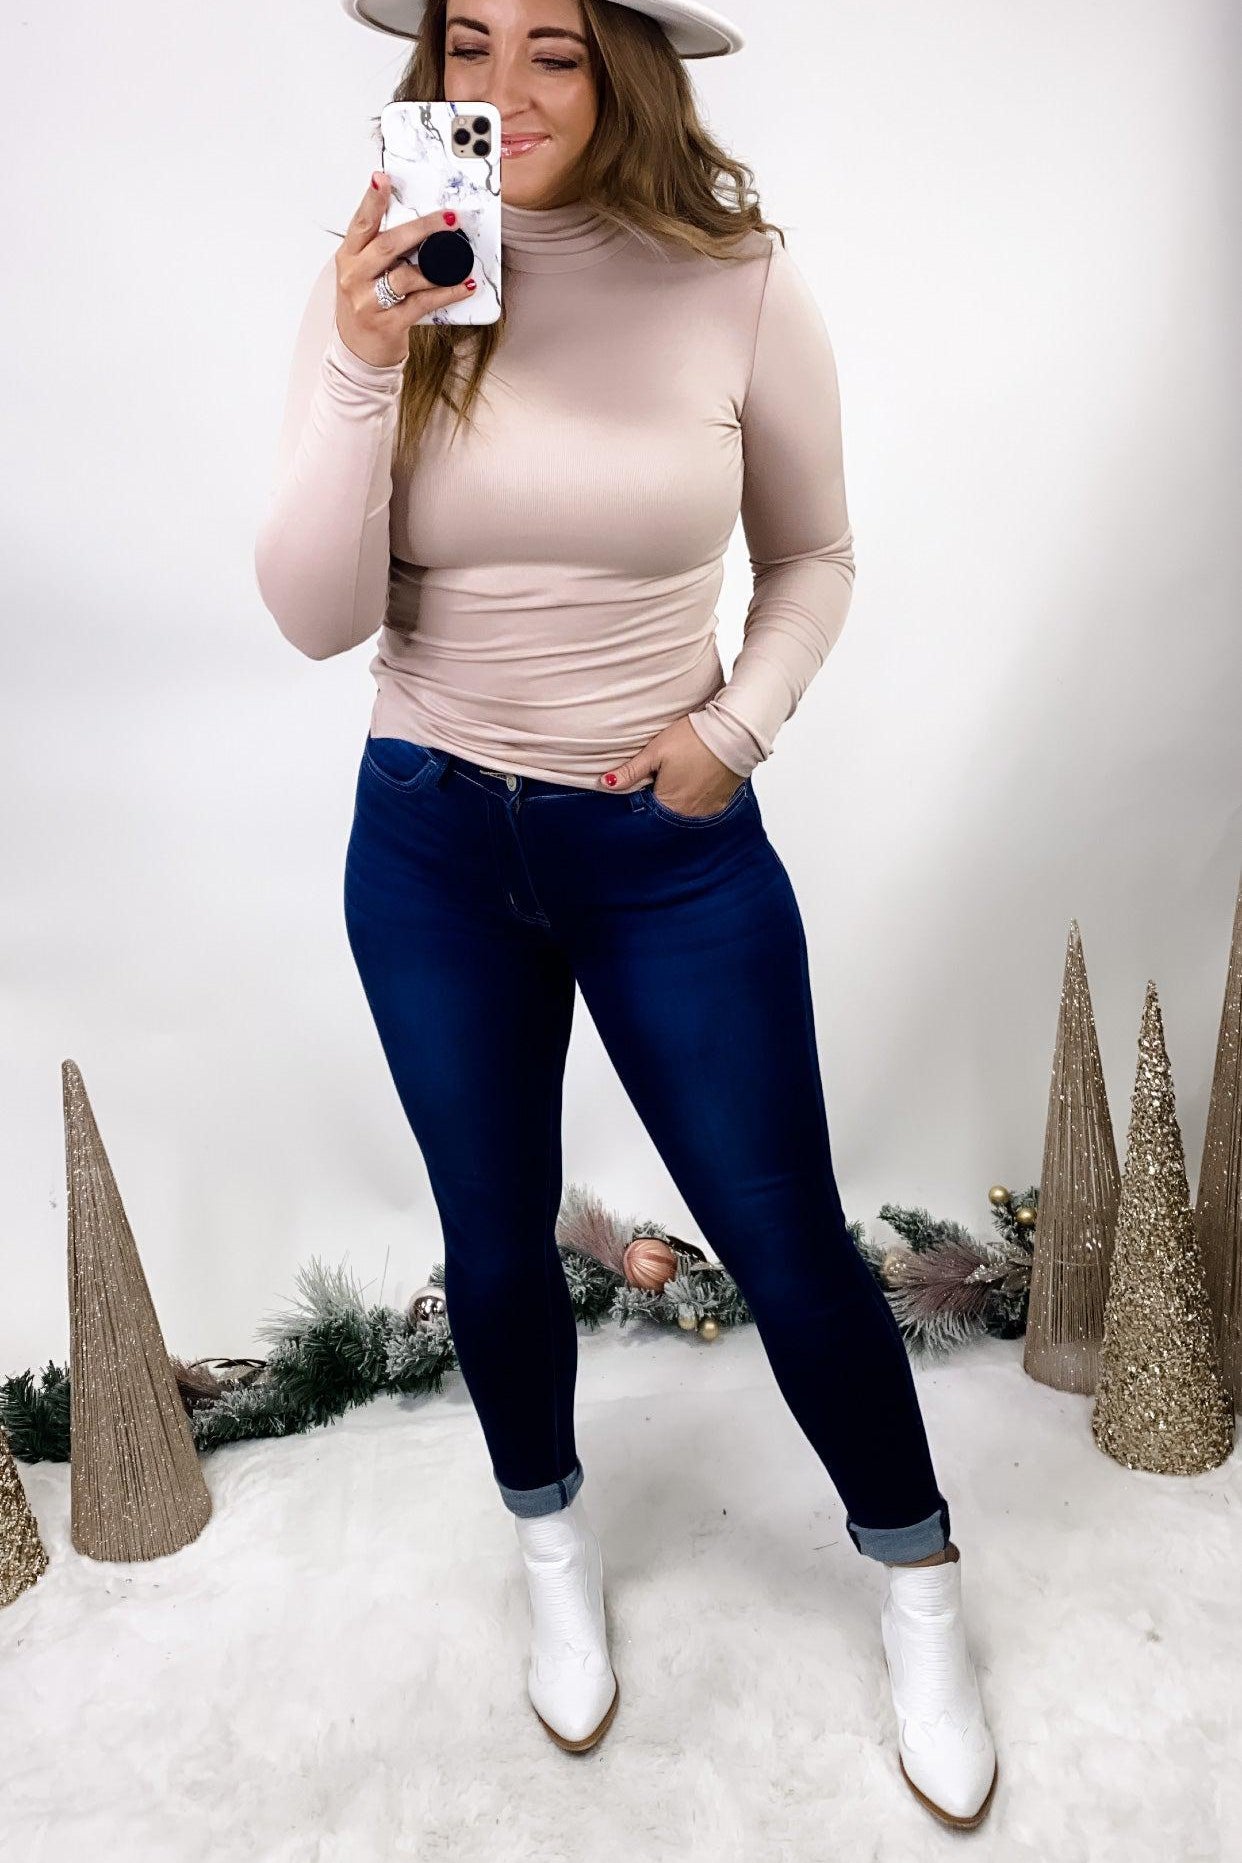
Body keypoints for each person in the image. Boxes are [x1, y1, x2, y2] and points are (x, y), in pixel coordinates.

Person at [254, 0, 998, 1828]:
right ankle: (551, 1555)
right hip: (429, 843)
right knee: (493, 1237)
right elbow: (316, 617)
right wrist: (360, 362)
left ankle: (918, 1590)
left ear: (626, 74)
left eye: (555, 51)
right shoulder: (382, 277)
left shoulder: (733, 282)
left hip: (664, 854)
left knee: (784, 1235)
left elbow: (812, 552)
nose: (501, 91)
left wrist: (731, 734)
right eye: (468, 43)